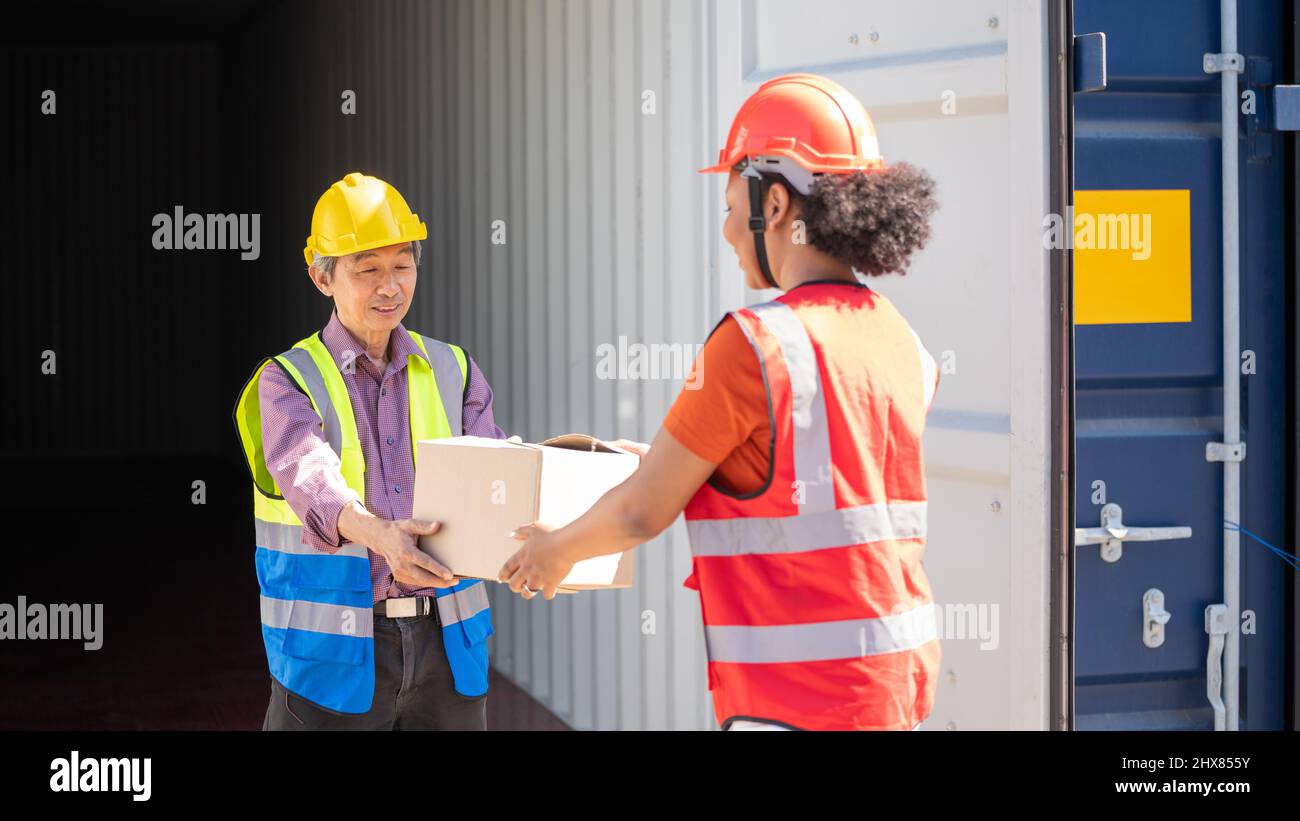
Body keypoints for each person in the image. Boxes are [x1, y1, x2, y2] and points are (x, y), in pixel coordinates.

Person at [499, 74, 941, 731]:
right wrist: (669, 460)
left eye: (734, 204)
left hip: (795, 703)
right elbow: (810, 480)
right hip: (895, 690)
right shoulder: (901, 337)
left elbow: (642, 510)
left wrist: (553, 551)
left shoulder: (754, 343)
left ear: (780, 204)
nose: (730, 230)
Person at [234, 172, 503, 730]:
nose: (390, 286)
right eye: (368, 270)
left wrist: (568, 483)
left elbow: (496, 477)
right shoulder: (287, 381)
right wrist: (380, 534)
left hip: (447, 645)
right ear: (322, 277)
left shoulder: (454, 369)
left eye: (402, 265)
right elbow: (311, 478)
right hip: (334, 653)